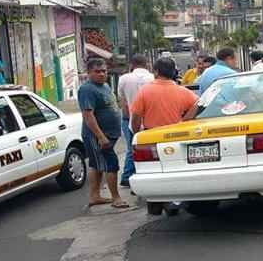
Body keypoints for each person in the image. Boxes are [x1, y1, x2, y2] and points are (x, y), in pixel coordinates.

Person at [78, 58, 128, 209]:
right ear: (89, 73)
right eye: (97, 71)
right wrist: (100, 136)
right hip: (97, 136)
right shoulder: (87, 89)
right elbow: (88, 116)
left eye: (104, 71)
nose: (101, 74)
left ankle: (95, 196)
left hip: (109, 135)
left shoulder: (105, 86)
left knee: (97, 165)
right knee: (111, 164)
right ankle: (116, 198)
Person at [130, 57, 199, 132]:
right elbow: (199, 104)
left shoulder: (144, 91)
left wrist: (137, 133)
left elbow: (136, 117)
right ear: (173, 72)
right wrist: (185, 120)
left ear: (156, 72)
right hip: (175, 134)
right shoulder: (183, 91)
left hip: (151, 135)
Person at [116, 54, 153, 188]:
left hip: (130, 118)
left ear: (132, 65)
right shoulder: (153, 78)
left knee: (131, 148)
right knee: (149, 149)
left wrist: (127, 116)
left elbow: (122, 100)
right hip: (149, 119)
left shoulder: (123, 79)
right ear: (146, 64)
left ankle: (127, 176)